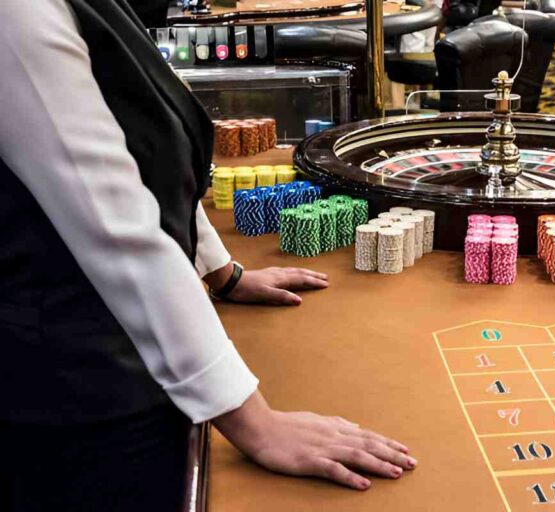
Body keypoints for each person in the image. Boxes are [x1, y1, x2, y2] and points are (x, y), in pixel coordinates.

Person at [0, 1, 416, 511]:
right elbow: (113, 224)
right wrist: (256, 423)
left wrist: (224, 273)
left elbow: (149, 158)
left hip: (129, 347)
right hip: (74, 388)